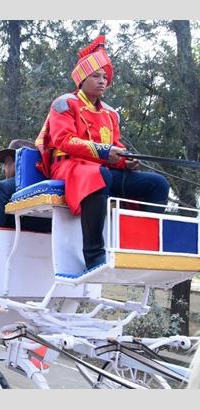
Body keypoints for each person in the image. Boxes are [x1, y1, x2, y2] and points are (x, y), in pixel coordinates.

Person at [35, 35, 170, 270]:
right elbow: (63, 140)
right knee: (99, 174)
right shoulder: (65, 103)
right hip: (68, 167)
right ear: (81, 80)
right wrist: (106, 153)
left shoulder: (110, 114)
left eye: (105, 77)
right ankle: (94, 256)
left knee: (157, 184)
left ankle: (143, 247)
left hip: (101, 170)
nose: (102, 81)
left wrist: (126, 161)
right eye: (96, 76)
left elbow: (115, 148)